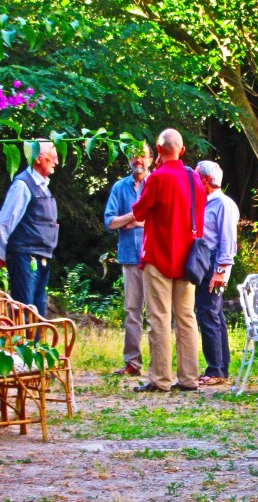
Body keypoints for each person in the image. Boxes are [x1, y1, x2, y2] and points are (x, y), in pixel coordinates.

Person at [130, 128, 206, 393]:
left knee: (159, 318)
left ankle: (161, 379)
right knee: (186, 318)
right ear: (182, 150)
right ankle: (189, 378)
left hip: (158, 255)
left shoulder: (156, 178)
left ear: (158, 150)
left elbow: (139, 212)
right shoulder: (194, 178)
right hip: (187, 259)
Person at [0, 140, 59, 317]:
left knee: (38, 311)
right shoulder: (22, 185)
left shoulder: (43, 186)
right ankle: (23, 337)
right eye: (53, 157)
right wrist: (5, 255)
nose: (56, 161)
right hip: (25, 256)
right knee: (24, 311)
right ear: (38, 158)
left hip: (41, 256)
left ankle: (35, 338)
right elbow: (4, 223)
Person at [103, 142, 153, 376]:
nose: (137, 160)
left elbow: (161, 220)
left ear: (150, 159)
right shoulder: (119, 187)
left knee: (155, 313)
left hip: (153, 257)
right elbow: (110, 222)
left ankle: (158, 365)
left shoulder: (156, 184)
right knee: (132, 311)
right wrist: (135, 216)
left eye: (142, 155)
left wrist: (134, 222)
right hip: (130, 257)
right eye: (133, 155)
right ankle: (132, 363)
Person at [194, 160, 239, 386]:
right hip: (205, 260)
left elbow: (227, 241)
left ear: (204, 180)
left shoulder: (223, 204)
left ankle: (215, 370)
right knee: (213, 314)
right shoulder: (205, 203)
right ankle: (220, 367)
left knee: (209, 314)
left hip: (216, 264)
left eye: (196, 177)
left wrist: (220, 270)